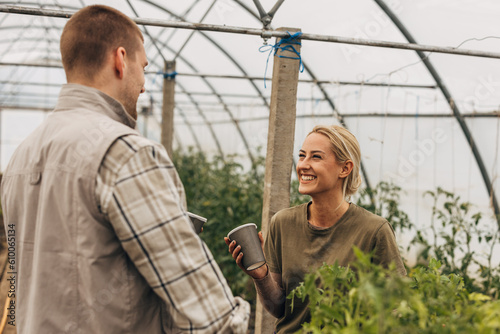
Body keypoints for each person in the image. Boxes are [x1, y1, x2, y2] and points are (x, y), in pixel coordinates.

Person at [1, 5, 249, 334]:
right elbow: (209, 315)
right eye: (143, 67)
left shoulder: (22, 156)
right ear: (120, 60)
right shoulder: (124, 152)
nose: (144, 84)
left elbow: (18, 267)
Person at [225, 124, 406, 333]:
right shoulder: (282, 223)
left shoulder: (373, 231)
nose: (303, 165)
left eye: (316, 157)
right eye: (302, 156)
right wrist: (261, 276)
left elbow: (396, 307)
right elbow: (280, 308)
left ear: (345, 168)